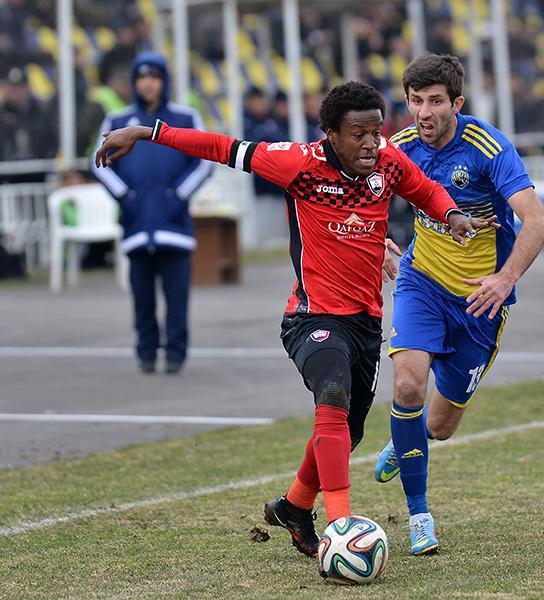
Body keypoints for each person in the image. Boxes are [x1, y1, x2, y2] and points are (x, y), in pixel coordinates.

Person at [95, 80, 494, 558]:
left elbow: (424, 189)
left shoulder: (388, 161)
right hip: (311, 317)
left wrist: (452, 215)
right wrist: (146, 132)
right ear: (331, 134)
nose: (371, 144)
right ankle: (341, 524)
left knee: (349, 431)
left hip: (365, 322)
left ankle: (295, 506)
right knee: (333, 394)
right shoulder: (298, 163)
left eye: (375, 132)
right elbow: (222, 147)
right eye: (358, 135)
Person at [372, 53, 544, 555]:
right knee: (407, 383)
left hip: (479, 301)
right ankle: (419, 516)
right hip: (422, 282)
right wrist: (379, 240)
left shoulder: (487, 147)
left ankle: (406, 439)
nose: (424, 112)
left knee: (440, 426)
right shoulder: (398, 148)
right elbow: (362, 199)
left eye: (435, 101)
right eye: (415, 101)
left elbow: (538, 221)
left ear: (457, 103)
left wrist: (504, 278)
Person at [91, 51, 212, 374]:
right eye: (142, 77)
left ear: (164, 81)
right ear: (134, 82)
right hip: (137, 223)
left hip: (174, 224)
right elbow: (98, 162)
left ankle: (175, 354)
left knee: (177, 296)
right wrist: (126, 197)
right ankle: (146, 352)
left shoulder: (186, 118)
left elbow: (203, 161)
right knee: (142, 296)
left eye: (155, 77)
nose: (148, 84)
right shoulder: (116, 121)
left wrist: (178, 196)